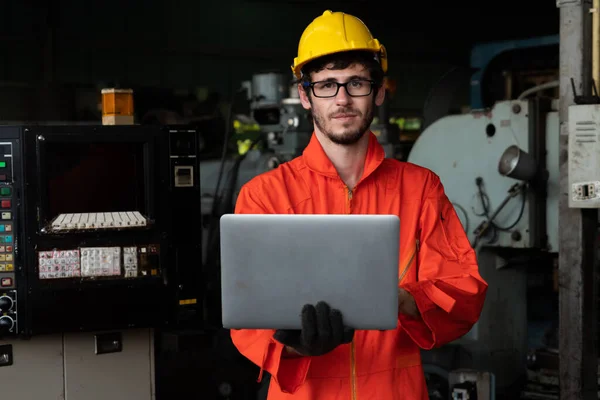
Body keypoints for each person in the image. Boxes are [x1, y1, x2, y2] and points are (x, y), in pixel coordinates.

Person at [230, 10, 488, 400]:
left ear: (380, 91)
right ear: (304, 95)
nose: (343, 99)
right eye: (327, 85)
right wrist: (298, 345)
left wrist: (403, 299)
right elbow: (246, 318)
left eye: (356, 83)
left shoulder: (420, 189)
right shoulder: (265, 195)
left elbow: (464, 292)